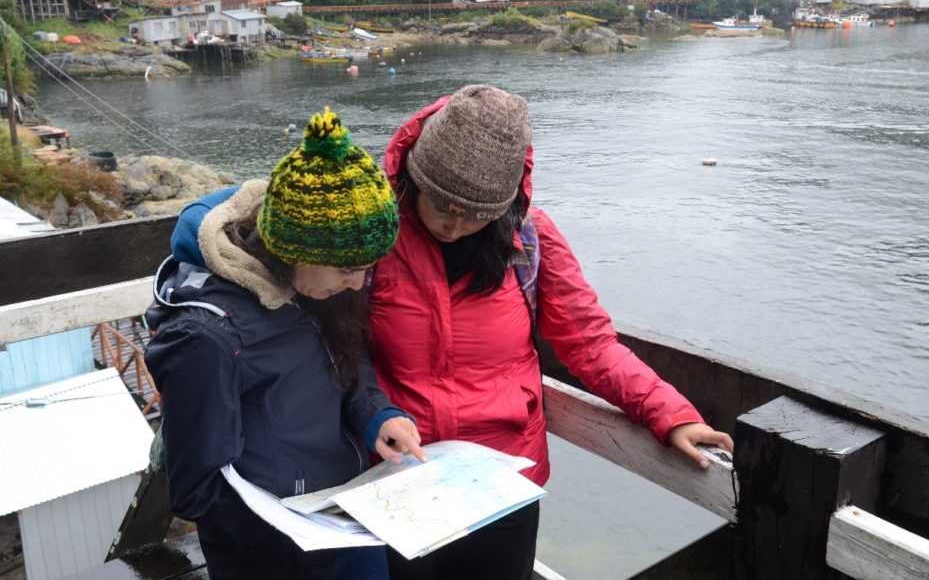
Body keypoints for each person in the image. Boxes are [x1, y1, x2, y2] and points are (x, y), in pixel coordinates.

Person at [171, 86, 733, 580]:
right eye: (440, 202)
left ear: (508, 204)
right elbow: (324, 324)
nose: (453, 223)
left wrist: (669, 413)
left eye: (476, 213)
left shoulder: (530, 243)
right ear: (415, 172)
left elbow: (589, 343)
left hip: (504, 485)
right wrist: (374, 415)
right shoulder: (368, 234)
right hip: (395, 481)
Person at [144, 106, 425, 580]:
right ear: (292, 251)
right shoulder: (206, 337)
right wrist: (297, 530)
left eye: (367, 267)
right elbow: (195, 488)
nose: (358, 284)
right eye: (346, 269)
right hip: (275, 558)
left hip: (347, 523)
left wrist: (376, 412)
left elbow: (347, 358)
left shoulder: (314, 287)